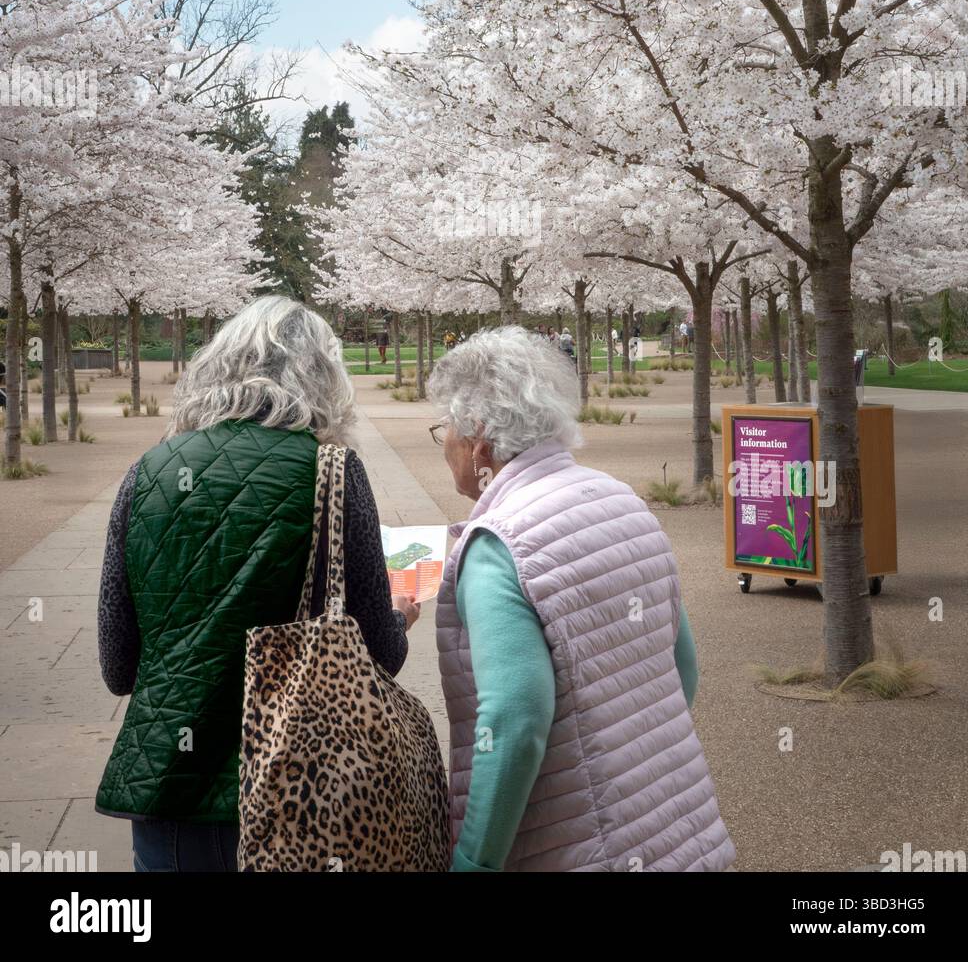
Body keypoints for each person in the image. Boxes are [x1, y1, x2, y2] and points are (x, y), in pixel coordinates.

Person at [95, 295, 420, 873]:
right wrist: (398, 617)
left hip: (169, 796)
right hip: (305, 800)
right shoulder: (334, 472)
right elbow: (379, 657)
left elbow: (120, 668)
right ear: (323, 376)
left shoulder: (146, 474)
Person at [428, 327, 735, 873]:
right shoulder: (622, 500)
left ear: (479, 440)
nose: (443, 443)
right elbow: (681, 666)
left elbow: (516, 720)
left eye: (444, 429)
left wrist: (475, 859)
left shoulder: (497, 546)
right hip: (682, 828)